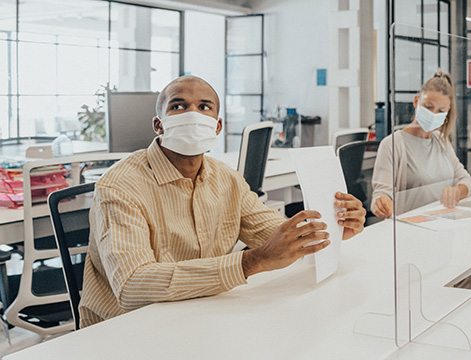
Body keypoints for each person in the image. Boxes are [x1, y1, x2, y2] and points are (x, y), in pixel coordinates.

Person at [79, 76, 367, 327]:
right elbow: (132, 286)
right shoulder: (120, 186)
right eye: (178, 106)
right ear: (159, 124)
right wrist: (251, 261)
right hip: (125, 328)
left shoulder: (226, 178)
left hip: (200, 312)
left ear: (216, 127)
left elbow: (275, 234)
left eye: (204, 107)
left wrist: (330, 227)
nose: (192, 113)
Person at [371, 70, 471, 217]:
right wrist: (382, 203)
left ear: (447, 111)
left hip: (443, 221)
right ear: (416, 101)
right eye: (428, 106)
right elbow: (381, 194)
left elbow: (467, 180)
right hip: (410, 227)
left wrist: (457, 191)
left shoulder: (441, 140)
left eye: (440, 110)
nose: (433, 114)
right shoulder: (392, 144)